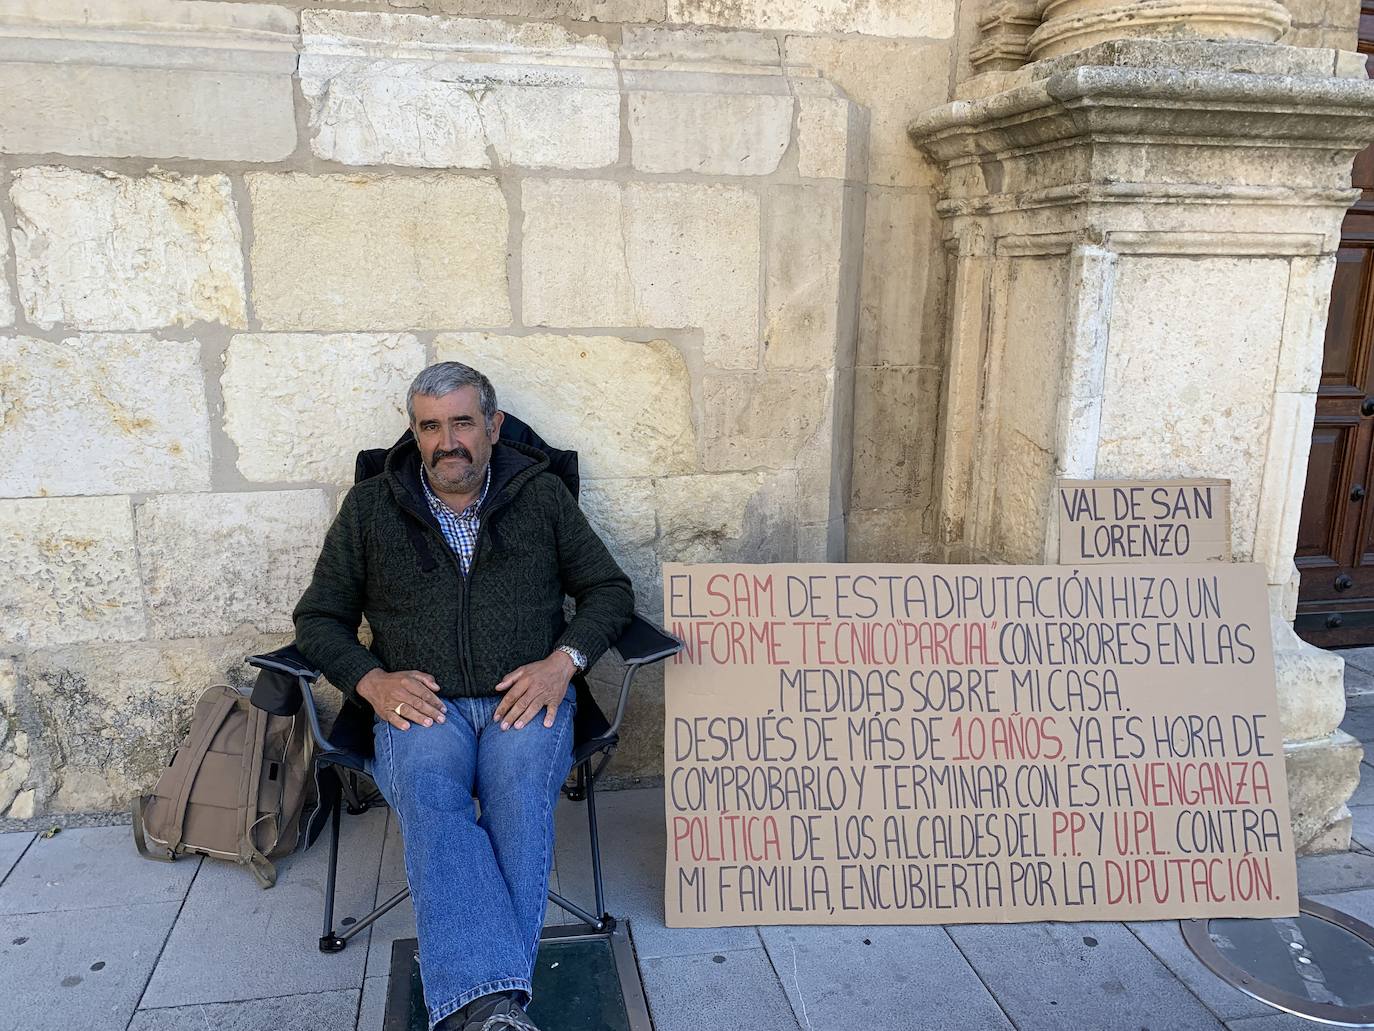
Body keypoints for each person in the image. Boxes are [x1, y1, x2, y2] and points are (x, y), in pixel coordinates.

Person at [293, 362, 634, 1031]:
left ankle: (480, 1009)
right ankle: (498, 1009)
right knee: (428, 791)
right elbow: (317, 619)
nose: (447, 440)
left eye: (462, 422)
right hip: (420, 704)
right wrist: (370, 678)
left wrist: (563, 662)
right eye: (429, 426)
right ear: (415, 433)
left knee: (516, 795)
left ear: (493, 425)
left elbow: (610, 591)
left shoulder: (541, 498)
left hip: (525, 697)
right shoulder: (369, 509)